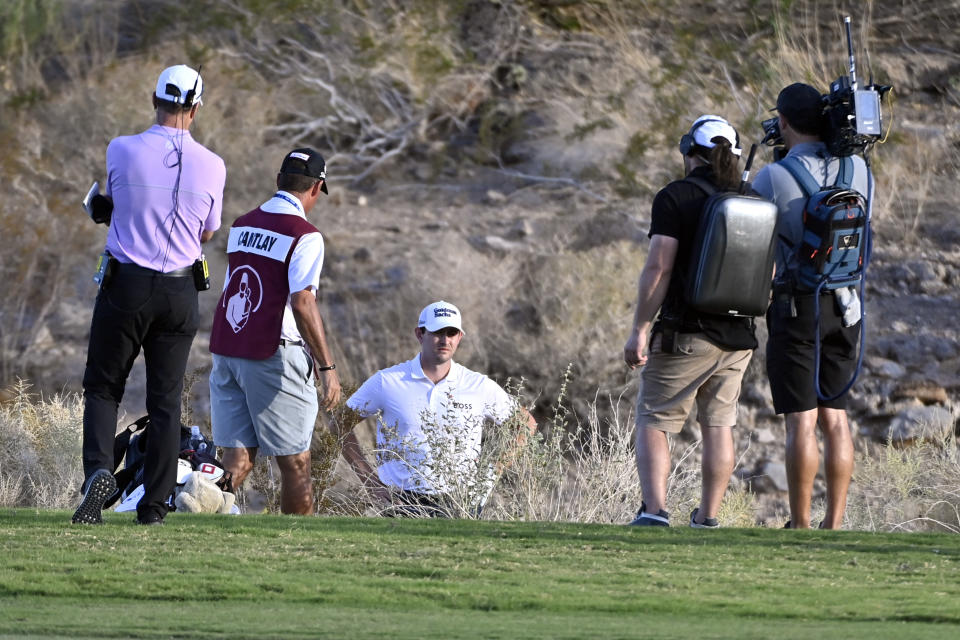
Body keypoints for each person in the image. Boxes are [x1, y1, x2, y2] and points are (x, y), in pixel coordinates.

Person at [72, 64, 226, 526]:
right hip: (181, 290)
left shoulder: (120, 149)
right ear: (196, 109)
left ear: (152, 99)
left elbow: (118, 203)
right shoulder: (214, 165)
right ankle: (154, 508)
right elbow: (209, 230)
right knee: (164, 402)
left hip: (127, 284)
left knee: (103, 386)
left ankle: (99, 472)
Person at [623, 115, 757, 528]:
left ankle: (654, 511)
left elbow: (659, 268)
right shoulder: (751, 197)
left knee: (656, 419)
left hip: (685, 332)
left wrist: (640, 329)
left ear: (688, 152)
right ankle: (708, 517)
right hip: (739, 336)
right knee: (719, 425)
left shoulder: (675, 197)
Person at [752, 83, 869, 530]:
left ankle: (799, 524)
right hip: (847, 307)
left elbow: (751, 238)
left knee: (800, 422)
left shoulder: (773, 177)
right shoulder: (860, 169)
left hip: (797, 305)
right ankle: (834, 523)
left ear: (783, 122)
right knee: (835, 418)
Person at [208, 148, 342, 515]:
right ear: (316, 188)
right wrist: (327, 368)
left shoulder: (241, 224)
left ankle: (190, 517)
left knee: (238, 459)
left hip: (228, 346)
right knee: (296, 463)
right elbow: (302, 301)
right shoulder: (306, 235)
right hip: (271, 353)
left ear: (278, 181)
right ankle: (297, 549)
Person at [340, 301, 537, 517]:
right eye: (436, 332)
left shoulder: (478, 385)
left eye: (451, 333)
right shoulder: (387, 381)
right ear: (419, 334)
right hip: (398, 501)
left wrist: (491, 473)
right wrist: (371, 483)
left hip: (461, 501)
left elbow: (526, 423)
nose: (444, 340)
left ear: (459, 337)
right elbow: (339, 426)